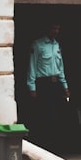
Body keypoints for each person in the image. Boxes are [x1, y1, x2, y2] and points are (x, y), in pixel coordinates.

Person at [26, 22, 70, 153]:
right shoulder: (37, 45)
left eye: (58, 29)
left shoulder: (57, 45)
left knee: (58, 116)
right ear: (47, 29)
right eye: (53, 28)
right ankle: (45, 147)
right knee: (45, 116)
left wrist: (65, 86)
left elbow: (60, 67)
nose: (56, 31)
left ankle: (57, 147)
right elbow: (32, 66)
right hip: (43, 84)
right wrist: (31, 87)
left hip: (56, 84)